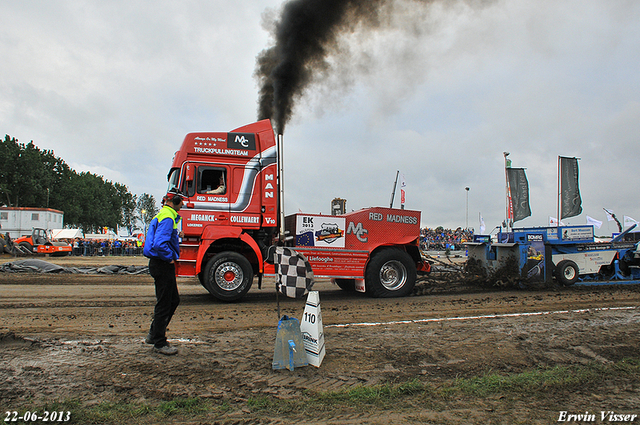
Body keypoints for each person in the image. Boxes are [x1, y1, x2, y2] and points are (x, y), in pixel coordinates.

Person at [143, 194, 184, 355]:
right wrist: (169, 259)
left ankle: (154, 334)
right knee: (165, 303)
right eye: (181, 202)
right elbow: (160, 243)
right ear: (175, 202)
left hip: (158, 263)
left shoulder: (164, 214)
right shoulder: (168, 217)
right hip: (162, 263)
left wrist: (176, 236)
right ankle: (159, 342)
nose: (182, 206)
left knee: (173, 300)